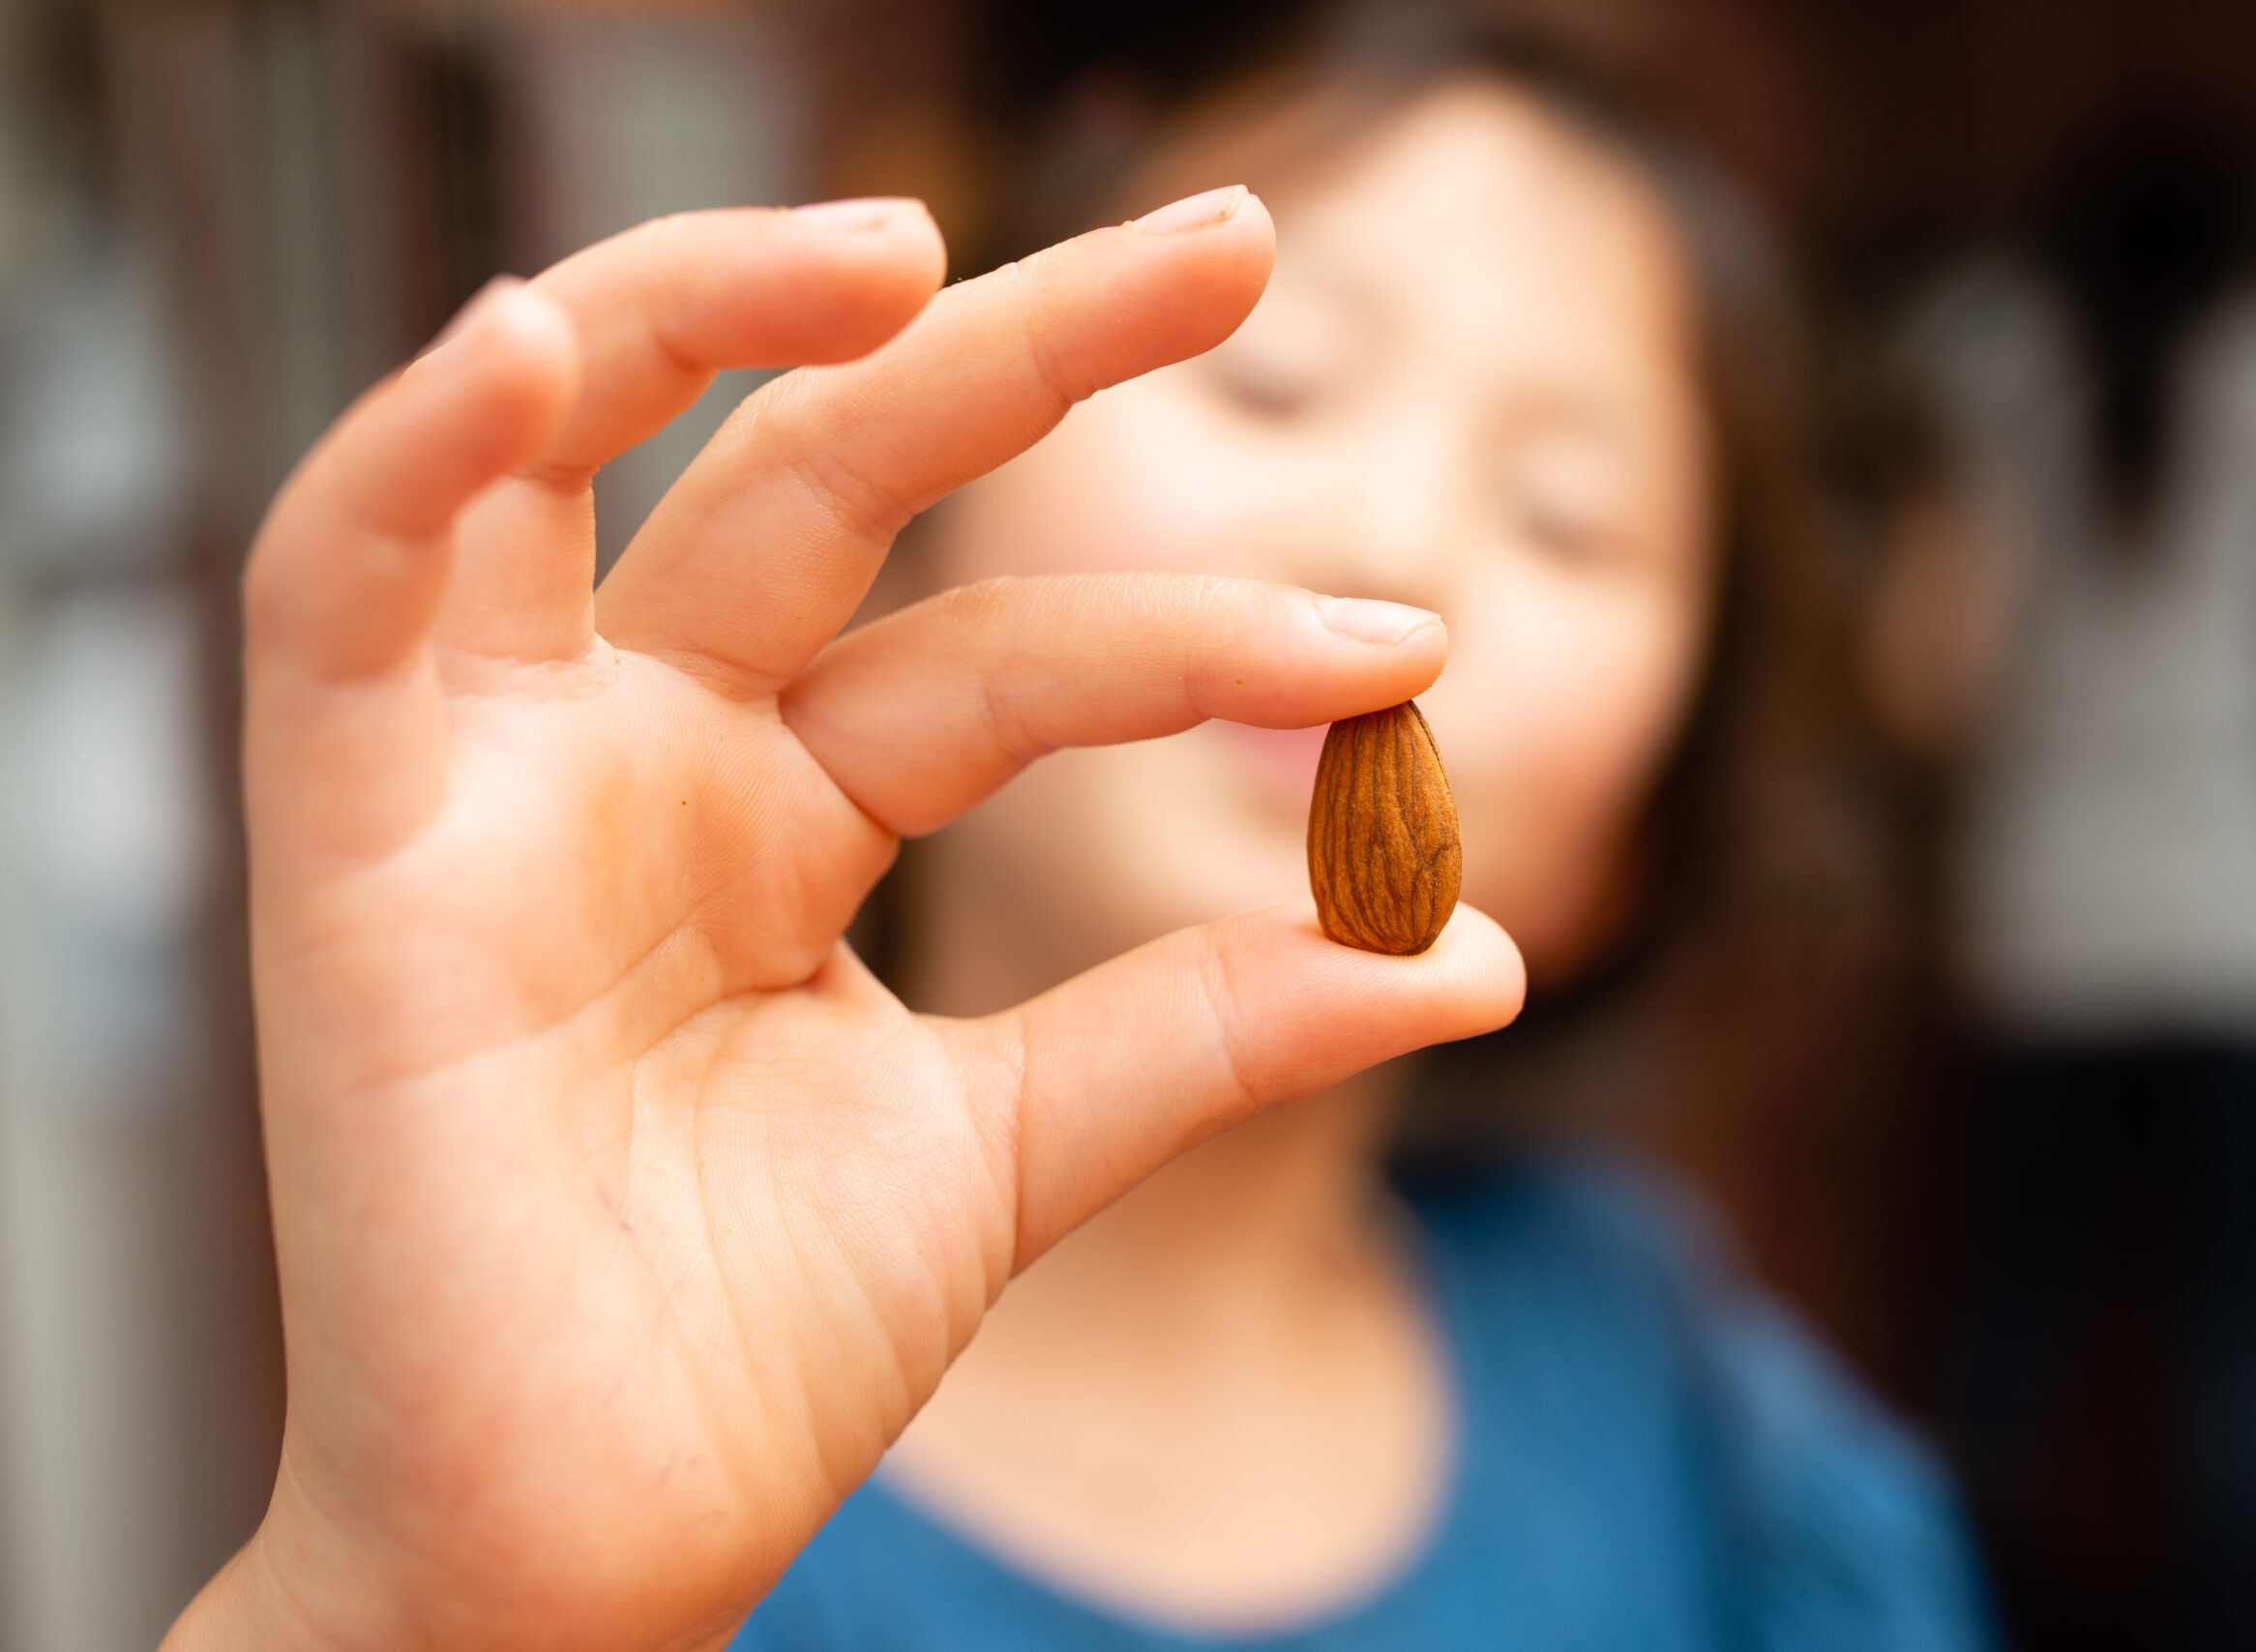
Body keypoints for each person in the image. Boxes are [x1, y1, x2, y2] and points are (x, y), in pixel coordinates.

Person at [168, 12, 1988, 1652]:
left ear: (1638, 844)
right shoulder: (611, 1461)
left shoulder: (1682, 1403)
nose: (1395, 534)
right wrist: (405, 1616)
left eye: (1566, 516)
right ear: (939, 486)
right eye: (1273, 380)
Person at [1868, 130, 2256, 1649]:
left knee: (2011, 1330)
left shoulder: (1995, 373)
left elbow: (1926, 681)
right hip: (2253, 925)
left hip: (2049, 929)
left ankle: (1934, 1623)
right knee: (2240, 1358)